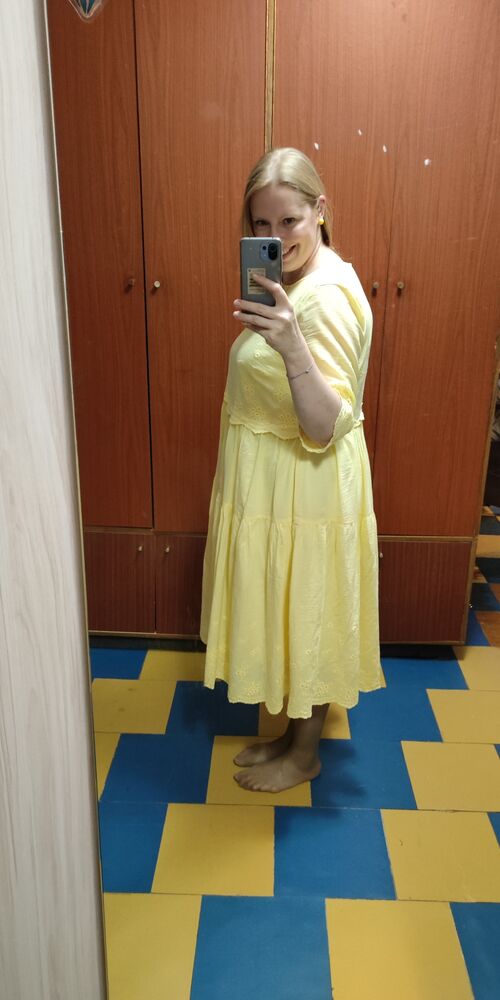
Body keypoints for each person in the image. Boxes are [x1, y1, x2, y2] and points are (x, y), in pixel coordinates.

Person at [200, 147, 382, 793]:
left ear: (320, 211)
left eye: (290, 221)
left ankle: (304, 756)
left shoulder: (324, 299)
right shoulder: (296, 283)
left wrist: (289, 344)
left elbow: (325, 424)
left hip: (306, 485)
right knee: (292, 606)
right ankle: (290, 738)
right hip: (283, 483)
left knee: (307, 611)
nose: (276, 237)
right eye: (261, 224)